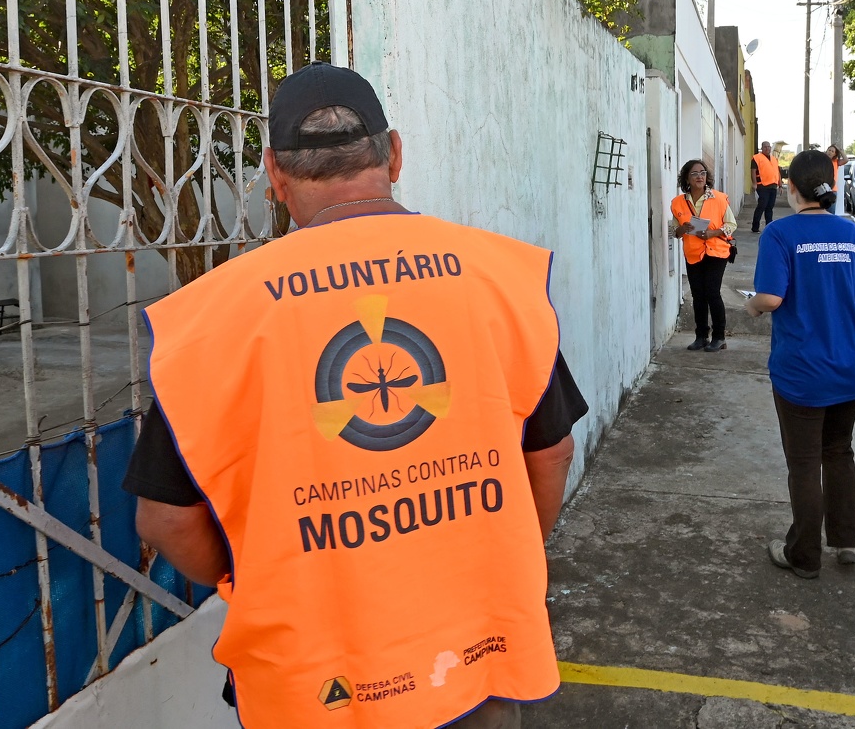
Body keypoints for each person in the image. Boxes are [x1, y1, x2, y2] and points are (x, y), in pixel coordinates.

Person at [122, 61, 588, 729]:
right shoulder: (496, 276)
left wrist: (255, 574)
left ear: (274, 175)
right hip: (472, 661)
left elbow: (163, 520)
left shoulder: (217, 316)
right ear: (393, 153)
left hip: (310, 684)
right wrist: (509, 555)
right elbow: (553, 451)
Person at [745, 149, 855, 580]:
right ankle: (847, 542)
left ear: (791, 187)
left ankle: (803, 554)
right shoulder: (853, 234)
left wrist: (751, 308)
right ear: (831, 185)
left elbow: (770, 298)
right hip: (849, 366)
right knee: (839, 452)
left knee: (804, 462)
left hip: (801, 370)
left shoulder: (780, 235)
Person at [671, 159, 737, 352]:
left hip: (716, 251)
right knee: (698, 296)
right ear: (686, 178)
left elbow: (731, 225)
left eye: (703, 173)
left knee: (712, 293)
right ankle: (701, 336)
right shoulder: (677, 203)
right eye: (694, 173)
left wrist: (712, 233)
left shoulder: (719, 198)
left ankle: (719, 337)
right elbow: (674, 232)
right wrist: (682, 228)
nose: (700, 176)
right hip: (693, 253)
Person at [751, 141, 782, 232]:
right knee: (762, 206)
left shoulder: (774, 159)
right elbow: (753, 171)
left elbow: (777, 172)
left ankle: (769, 226)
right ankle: (755, 227)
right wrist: (754, 183)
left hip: (773, 186)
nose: (767, 148)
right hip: (762, 186)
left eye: (769, 147)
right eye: (765, 147)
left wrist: (780, 185)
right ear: (762, 148)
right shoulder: (756, 158)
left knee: (770, 207)